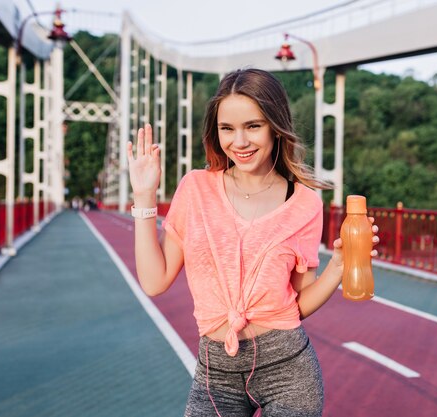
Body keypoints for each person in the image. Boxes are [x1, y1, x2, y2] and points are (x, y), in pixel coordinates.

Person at [127, 68, 378, 417]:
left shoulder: (304, 203)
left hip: (288, 370)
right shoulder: (196, 189)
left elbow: (297, 305)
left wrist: (339, 266)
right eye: (227, 129)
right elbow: (155, 281)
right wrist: (144, 195)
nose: (239, 142)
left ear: (276, 126)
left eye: (253, 126)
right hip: (216, 375)